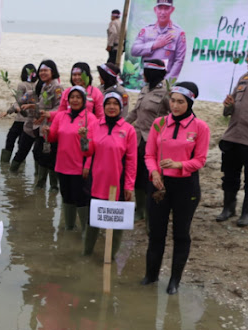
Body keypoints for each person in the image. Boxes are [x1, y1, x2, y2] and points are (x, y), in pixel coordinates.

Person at [142, 82, 210, 295]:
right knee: (156, 233)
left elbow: (200, 160)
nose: (175, 105)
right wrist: (154, 172)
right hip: (159, 185)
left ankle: (174, 281)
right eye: (173, 101)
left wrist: (179, 164)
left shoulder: (200, 127)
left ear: (189, 103)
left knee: (181, 234)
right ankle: (151, 276)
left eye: (181, 102)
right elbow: (149, 154)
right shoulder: (159, 123)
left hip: (186, 187)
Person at [82, 92, 137, 256]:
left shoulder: (128, 130)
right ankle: (87, 254)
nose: (111, 107)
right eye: (108, 103)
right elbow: (87, 152)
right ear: (103, 106)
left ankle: (110, 256)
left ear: (121, 107)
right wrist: (83, 139)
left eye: (115, 104)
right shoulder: (95, 125)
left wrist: (129, 185)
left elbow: (132, 161)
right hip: (97, 180)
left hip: (117, 182)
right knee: (93, 219)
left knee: (115, 221)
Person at [46, 86, 99, 231]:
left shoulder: (91, 119)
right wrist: (47, 132)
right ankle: (69, 227)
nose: (75, 100)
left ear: (83, 100)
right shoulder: (61, 116)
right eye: (72, 97)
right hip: (62, 165)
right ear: (68, 99)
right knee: (67, 197)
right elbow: (53, 138)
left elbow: (93, 146)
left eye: (78, 97)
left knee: (81, 199)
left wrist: (87, 165)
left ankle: (85, 230)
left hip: (80, 166)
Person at [126, 59, 170, 223]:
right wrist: (120, 126)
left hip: (155, 140)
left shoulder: (166, 92)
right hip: (138, 139)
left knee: (150, 175)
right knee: (137, 175)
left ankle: (152, 207)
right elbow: (135, 112)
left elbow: (173, 116)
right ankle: (140, 209)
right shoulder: (144, 89)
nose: (142, 74)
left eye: (145, 71)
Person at [217, 43, 248, 226]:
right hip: (232, 137)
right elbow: (227, 113)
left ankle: (246, 213)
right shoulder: (243, 78)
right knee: (230, 175)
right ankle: (228, 208)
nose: (246, 59)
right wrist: (228, 104)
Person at [10, 60, 63, 182]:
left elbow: (60, 107)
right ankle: (34, 184)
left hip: (49, 127)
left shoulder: (57, 87)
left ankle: (50, 186)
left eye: (46, 70)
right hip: (36, 125)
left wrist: (43, 112)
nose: (43, 73)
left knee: (46, 155)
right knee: (36, 153)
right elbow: (24, 100)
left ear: (52, 71)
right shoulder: (43, 86)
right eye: (41, 71)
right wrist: (29, 106)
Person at [131, 0, 186, 81]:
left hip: (164, 79)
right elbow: (134, 51)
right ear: (155, 9)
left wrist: (167, 82)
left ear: (172, 9)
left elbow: (179, 60)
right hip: (146, 79)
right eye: (160, 8)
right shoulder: (146, 30)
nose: (163, 12)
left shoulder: (178, 33)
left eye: (166, 8)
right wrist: (154, 45)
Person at [0, 64, 38, 163]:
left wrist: (8, 111)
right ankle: (19, 167)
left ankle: (4, 164)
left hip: (20, 119)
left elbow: (19, 102)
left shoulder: (22, 85)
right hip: (32, 120)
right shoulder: (37, 86)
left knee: (10, 139)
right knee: (22, 144)